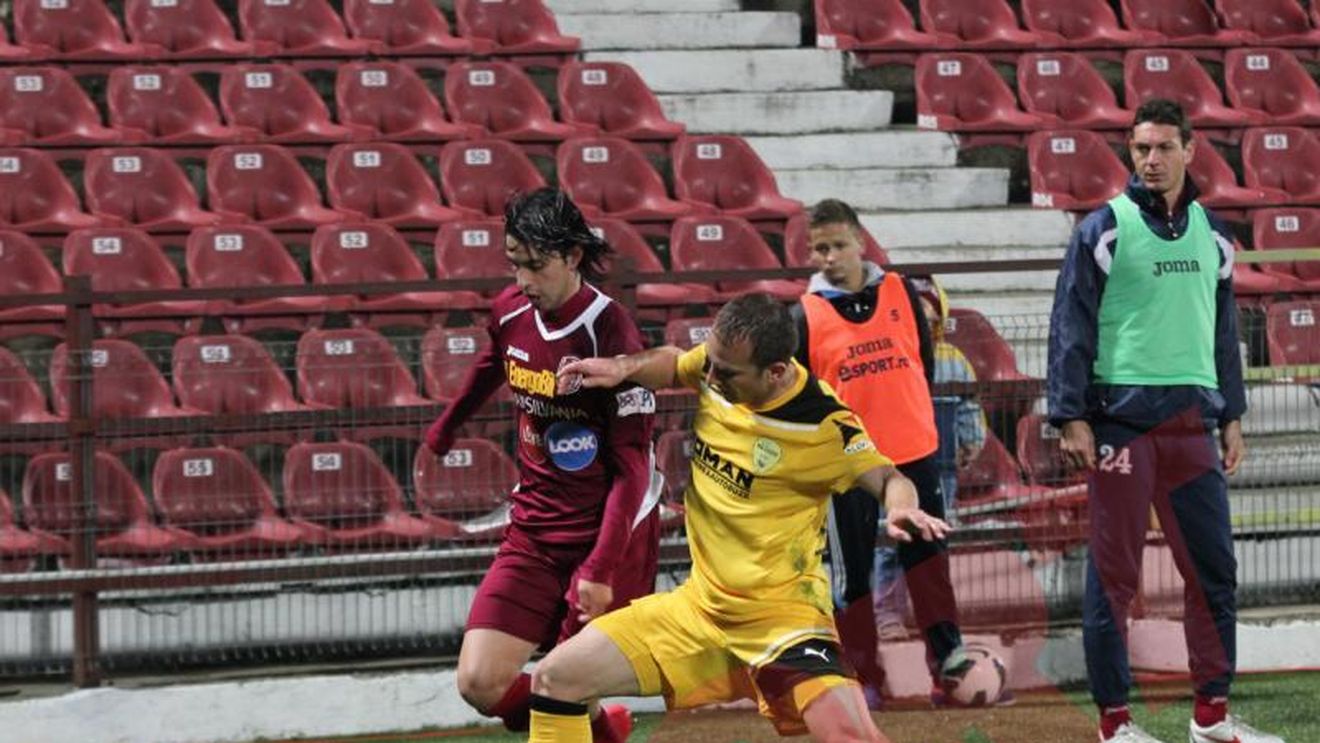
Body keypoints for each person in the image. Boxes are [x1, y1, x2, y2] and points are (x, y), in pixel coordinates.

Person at [525, 293, 950, 743]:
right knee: (555, 679)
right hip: (699, 610)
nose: (708, 378)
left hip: (783, 622)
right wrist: (623, 368)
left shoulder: (825, 426)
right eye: (709, 363)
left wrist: (902, 507)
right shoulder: (718, 370)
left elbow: (888, 478)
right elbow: (674, 364)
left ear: (777, 372)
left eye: (724, 372)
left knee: (852, 736)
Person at [1048, 99, 1280, 743]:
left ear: (1190, 148)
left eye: (1162, 148)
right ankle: (1115, 723)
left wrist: (1232, 413)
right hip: (1120, 425)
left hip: (1192, 426)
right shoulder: (1104, 228)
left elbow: (1222, 330)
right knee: (1115, 578)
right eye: (1140, 148)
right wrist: (1069, 414)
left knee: (1213, 572)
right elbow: (1070, 323)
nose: (1150, 160)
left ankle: (1210, 715)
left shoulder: (1215, 235)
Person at [424, 188, 661, 743]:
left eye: (536, 265)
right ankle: (607, 731)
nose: (524, 279)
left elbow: (633, 467)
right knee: (479, 682)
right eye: (514, 263)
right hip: (533, 528)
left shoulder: (611, 331)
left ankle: (599, 727)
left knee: (564, 684)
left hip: (606, 534)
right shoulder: (511, 310)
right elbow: (492, 362)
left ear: (572, 258)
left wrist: (600, 569)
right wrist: (448, 424)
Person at [789, 199, 966, 706]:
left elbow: (923, 364)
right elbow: (803, 400)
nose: (829, 256)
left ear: (860, 242)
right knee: (852, 575)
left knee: (929, 564)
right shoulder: (804, 315)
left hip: (914, 453)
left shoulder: (902, 292)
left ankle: (949, 669)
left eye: (839, 245)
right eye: (819, 248)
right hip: (847, 468)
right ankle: (864, 676)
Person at [869, 276, 987, 647]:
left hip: (942, 467)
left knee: (932, 545)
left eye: (931, 320)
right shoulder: (887, 358)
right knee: (890, 543)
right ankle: (887, 612)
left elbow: (970, 404)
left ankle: (932, 620)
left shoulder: (954, 361)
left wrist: (972, 440)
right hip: (892, 466)